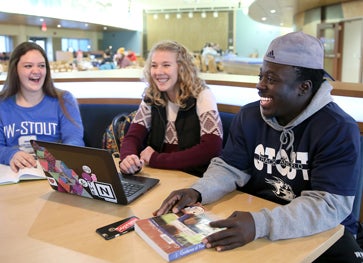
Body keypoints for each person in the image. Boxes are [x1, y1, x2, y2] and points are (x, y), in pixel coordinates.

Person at [154, 32, 363, 262]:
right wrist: (198, 190)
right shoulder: (250, 115)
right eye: (261, 76)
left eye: (271, 79)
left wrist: (261, 224)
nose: (259, 86)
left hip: (326, 233)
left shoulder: (337, 128)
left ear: (303, 87)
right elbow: (230, 167)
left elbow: (327, 205)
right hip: (261, 224)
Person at [119, 40, 223, 177]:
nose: (158, 72)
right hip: (159, 174)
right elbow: (132, 137)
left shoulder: (202, 95)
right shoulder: (152, 96)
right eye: (154, 66)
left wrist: (156, 159)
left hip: (193, 178)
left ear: (181, 68)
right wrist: (128, 157)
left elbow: (211, 149)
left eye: (166, 65)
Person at [0, 41, 84, 173]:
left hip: (56, 174)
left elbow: (75, 140)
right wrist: (11, 155)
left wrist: (62, 158)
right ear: (15, 70)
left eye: (41, 65)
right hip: (14, 175)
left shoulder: (64, 100)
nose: (36, 71)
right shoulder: (2, 104)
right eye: (28, 66)